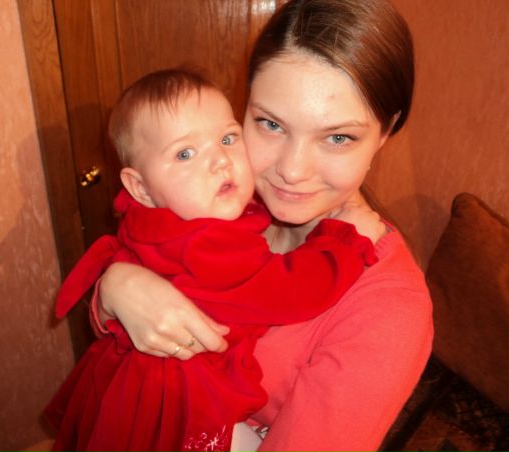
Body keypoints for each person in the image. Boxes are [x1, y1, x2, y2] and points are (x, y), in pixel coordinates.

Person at [90, 1, 434, 451]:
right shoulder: (226, 197)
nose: (291, 171)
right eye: (270, 124)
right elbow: (121, 324)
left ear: (386, 131)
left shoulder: (390, 310)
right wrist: (115, 289)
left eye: (338, 137)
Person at [44, 68, 384, 452]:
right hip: (179, 412)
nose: (220, 160)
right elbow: (292, 290)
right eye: (185, 154)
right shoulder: (204, 244)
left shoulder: (155, 216)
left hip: (127, 397)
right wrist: (346, 242)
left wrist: (111, 285)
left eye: (227, 138)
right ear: (140, 187)